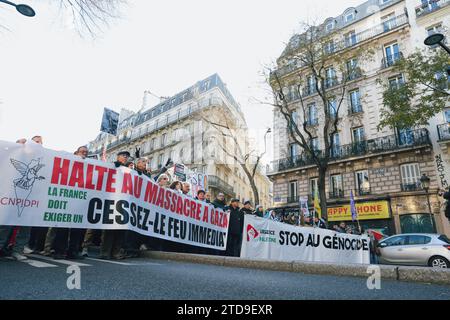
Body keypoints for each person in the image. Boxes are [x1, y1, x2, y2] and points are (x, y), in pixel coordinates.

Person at [100, 151, 129, 260]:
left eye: (127, 157)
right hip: (112, 200)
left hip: (123, 202)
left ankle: (115, 252)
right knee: (109, 229)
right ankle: (105, 252)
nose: (125, 158)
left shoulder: (129, 170)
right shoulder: (112, 166)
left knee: (120, 230)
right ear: (118, 157)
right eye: (123, 156)